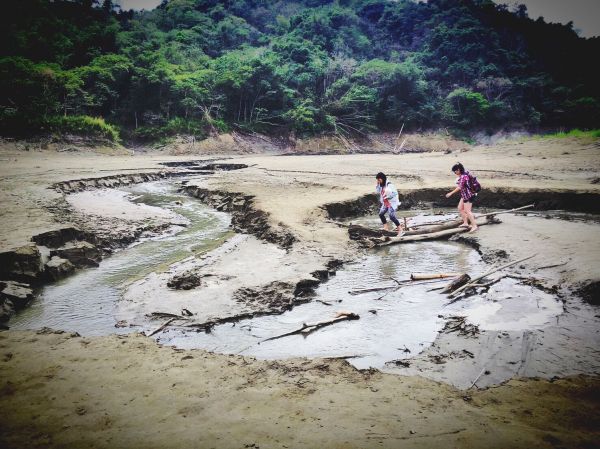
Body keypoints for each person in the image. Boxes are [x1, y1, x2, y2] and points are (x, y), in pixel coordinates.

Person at [445, 162, 478, 233]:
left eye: (455, 171)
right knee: (460, 208)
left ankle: (474, 226)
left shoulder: (464, 176)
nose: (455, 173)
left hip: (469, 195)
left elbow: (460, 187)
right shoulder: (464, 174)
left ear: (459, 170)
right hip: (464, 195)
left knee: (468, 211)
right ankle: (465, 223)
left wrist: (451, 193)